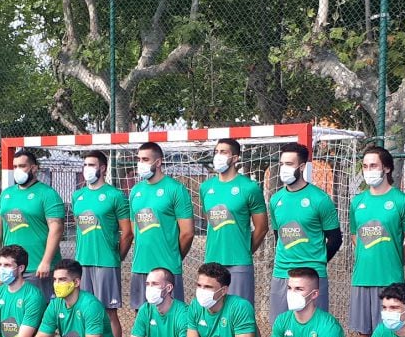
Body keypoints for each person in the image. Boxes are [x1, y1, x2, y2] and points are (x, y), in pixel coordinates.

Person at [350, 146, 405, 337]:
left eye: (373, 165)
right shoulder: (357, 202)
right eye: (365, 166)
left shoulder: (402, 202)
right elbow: (356, 236)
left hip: (390, 281)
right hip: (361, 279)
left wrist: (392, 261)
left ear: (387, 168)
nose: (368, 170)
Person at [268, 142, 342, 324]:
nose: (284, 168)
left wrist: (315, 262)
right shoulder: (275, 199)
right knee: (281, 330)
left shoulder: (320, 199)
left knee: (315, 330)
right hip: (282, 274)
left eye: (289, 164)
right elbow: (279, 237)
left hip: (312, 275)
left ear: (301, 167)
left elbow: (335, 239)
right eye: (282, 164)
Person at [71, 150, 133, 337]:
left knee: (108, 311)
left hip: (106, 263)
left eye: (91, 165)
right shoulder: (77, 196)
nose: (87, 169)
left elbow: (128, 232)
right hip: (81, 263)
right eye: (85, 165)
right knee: (83, 309)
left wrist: (116, 257)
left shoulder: (115, 196)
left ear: (103, 168)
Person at [0, 149, 64, 299]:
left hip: (38, 269)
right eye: (15, 166)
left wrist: (46, 262)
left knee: (41, 314)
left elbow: (57, 229)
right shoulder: (6, 194)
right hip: (12, 268)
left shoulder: (48, 194)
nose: (17, 170)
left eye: (22, 166)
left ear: (34, 168)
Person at [199, 138, 267, 304]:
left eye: (223, 152)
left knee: (241, 314)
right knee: (213, 312)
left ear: (235, 158)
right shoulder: (206, 188)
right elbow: (210, 220)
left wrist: (244, 250)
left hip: (239, 264)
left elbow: (262, 227)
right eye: (216, 152)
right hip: (212, 262)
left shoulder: (249, 187)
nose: (218, 156)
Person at [128, 141, 194, 308]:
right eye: (138, 159)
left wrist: (174, 254)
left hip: (168, 268)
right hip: (140, 266)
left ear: (158, 162)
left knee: (171, 317)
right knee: (142, 317)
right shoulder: (135, 190)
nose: (140, 164)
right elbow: (133, 227)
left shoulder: (176, 189)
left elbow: (187, 233)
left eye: (145, 159)